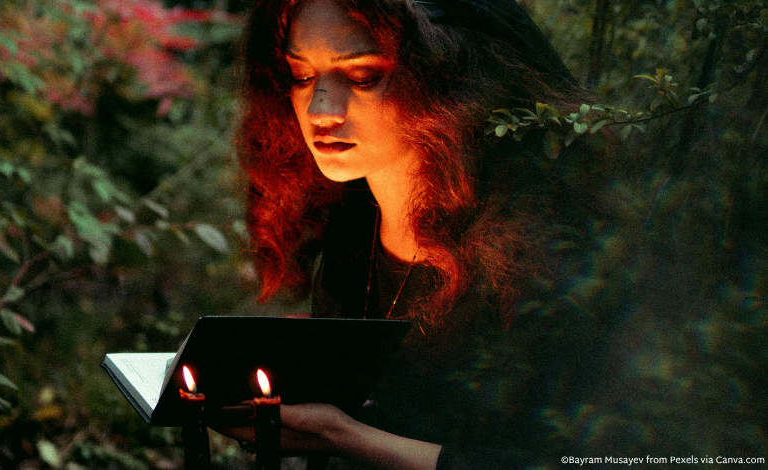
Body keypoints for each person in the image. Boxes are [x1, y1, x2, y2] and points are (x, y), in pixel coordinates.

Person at [226, 0, 606, 468]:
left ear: (448, 76)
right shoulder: (351, 224)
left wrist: (340, 433)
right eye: (302, 76)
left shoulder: (534, 252)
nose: (320, 110)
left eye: (362, 76)